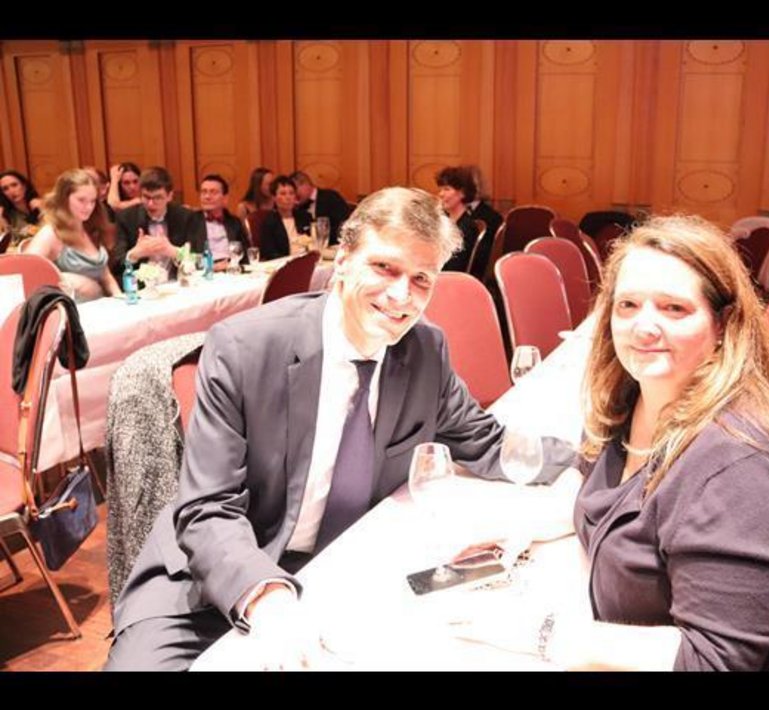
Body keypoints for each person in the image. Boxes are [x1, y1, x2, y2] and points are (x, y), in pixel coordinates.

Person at [105, 186, 573, 671]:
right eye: (384, 267)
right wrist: (268, 600)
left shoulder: (424, 352)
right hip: (210, 579)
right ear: (344, 259)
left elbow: (488, 443)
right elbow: (207, 509)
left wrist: (602, 464)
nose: (401, 296)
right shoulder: (244, 349)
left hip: (342, 571)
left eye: (421, 279)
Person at [453, 215, 769, 671]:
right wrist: (527, 527)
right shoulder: (635, 396)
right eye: (628, 305)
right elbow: (596, 482)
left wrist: (542, 632)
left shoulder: (741, 464)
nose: (643, 326)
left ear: (723, 324)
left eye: (673, 308)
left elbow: (715, 659)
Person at [24, 169, 121, 301]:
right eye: (81, 200)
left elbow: (105, 276)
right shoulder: (51, 233)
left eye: (92, 201)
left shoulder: (90, 228)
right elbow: (26, 272)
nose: (88, 207)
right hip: (70, 309)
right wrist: (67, 279)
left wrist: (120, 298)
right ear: (64, 199)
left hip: (100, 306)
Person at [111, 167, 193, 279]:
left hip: (177, 283)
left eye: (157, 197)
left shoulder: (185, 216)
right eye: (146, 197)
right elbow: (115, 265)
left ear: (169, 196)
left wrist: (174, 252)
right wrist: (134, 254)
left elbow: (200, 258)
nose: (150, 204)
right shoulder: (126, 218)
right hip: (140, 285)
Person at [183, 174, 251, 271]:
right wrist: (211, 267)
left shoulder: (234, 222)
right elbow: (186, 256)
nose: (207, 196)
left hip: (232, 270)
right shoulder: (191, 221)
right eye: (204, 192)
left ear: (225, 198)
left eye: (213, 192)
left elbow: (245, 255)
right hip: (205, 273)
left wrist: (233, 265)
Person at [435, 166, 479, 272]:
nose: (441, 194)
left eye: (447, 189)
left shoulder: (467, 227)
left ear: (462, 193)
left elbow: (455, 266)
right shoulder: (444, 221)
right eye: (440, 189)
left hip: (451, 277)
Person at [290, 170, 352, 246]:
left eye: (294, 191)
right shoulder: (298, 207)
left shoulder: (331, 197)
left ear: (305, 184)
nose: (293, 196)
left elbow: (343, 227)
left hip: (334, 246)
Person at [257, 175, 307, 260]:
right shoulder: (269, 223)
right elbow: (269, 253)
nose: (288, 197)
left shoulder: (305, 217)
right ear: (274, 198)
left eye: (291, 193)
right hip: (283, 263)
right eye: (283, 194)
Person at [0, 169, 43, 248]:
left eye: (14, 185)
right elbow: (6, 243)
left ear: (24, 186)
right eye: (5, 189)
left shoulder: (41, 205)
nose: (11, 191)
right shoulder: (6, 214)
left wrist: (43, 210)